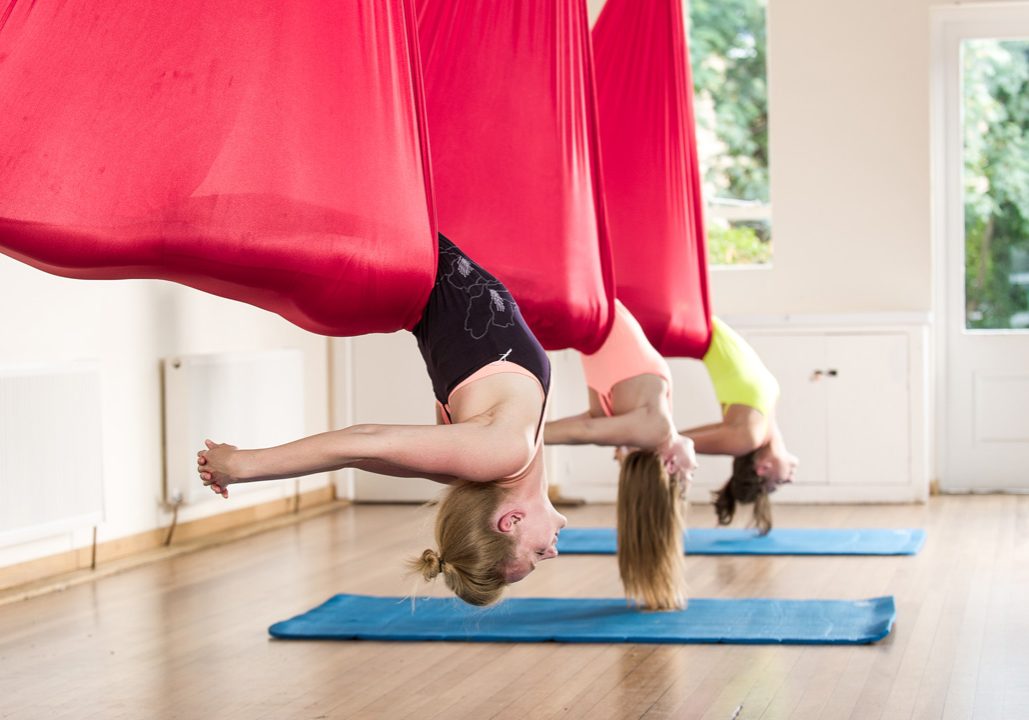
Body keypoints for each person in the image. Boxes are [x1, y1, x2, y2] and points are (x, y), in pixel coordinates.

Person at [197, 234, 567, 606]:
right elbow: (358, 455)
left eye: (535, 556)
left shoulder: (499, 452)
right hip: (394, 267)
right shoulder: (490, 457)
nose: (552, 554)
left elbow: (362, 442)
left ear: (510, 522)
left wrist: (244, 466)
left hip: (386, 261)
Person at [544, 300, 696, 610]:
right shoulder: (654, 430)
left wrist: (522, 432)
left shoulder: (640, 427)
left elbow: (581, 427)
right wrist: (515, 437)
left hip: (592, 318)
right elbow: (582, 431)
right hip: (595, 310)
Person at [680, 317, 798, 535]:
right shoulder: (764, 429)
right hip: (700, 324)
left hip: (692, 326)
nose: (790, 479)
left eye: (778, 482)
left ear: (763, 468)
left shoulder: (746, 438)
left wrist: (632, 446)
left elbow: (672, 440)